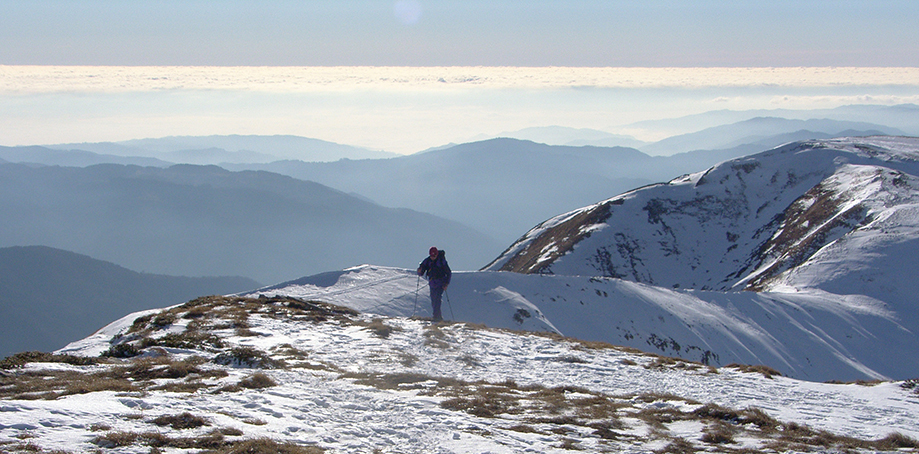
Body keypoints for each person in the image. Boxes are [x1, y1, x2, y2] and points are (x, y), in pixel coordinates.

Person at [417, 246, 451, 321]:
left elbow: (448, 272)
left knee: (437, 299)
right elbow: (422, 271)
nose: (433, 257)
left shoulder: (441, 261)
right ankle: (437, 316)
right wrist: (419, 271)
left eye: (434, 255)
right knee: (434, 300)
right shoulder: (427, 261)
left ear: (437, 254)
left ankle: (437, 317)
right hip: (432, 283)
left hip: (440, 283)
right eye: (431, 255)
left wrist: (446, 284)